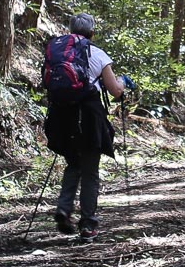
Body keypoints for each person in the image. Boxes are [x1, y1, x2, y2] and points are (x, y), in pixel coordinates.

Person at [43, 13, 130, 240]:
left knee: (73, 163)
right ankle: (88, 225)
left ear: (70, 29)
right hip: (89, 118)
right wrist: (123, 82)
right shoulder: (97, 53)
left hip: (62, 116)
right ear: (91, 32)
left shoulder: (57, 51)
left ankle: (64, 208)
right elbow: (115, 90)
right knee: (90, 170)